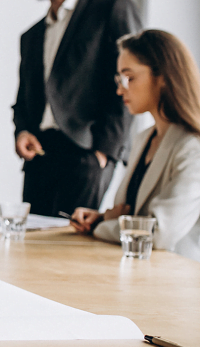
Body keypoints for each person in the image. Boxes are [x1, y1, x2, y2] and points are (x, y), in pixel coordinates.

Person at [12, 0, 141, 217]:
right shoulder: (31, 36)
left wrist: (104, 154)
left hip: (86, 152)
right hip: (39, 157)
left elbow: (132, 79)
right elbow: (23, 97)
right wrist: (22, 130)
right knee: (32, 249)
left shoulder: (111, 10)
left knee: (71, 249)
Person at [71, 30, 200, 262]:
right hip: (136, 271)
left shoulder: (193, 148)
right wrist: (101, 218)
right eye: (119, 79)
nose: (120, 90)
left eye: (129, 78)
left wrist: (102, 226)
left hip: (177, 280)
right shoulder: (143, 139)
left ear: (163, 77)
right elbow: (133, 216)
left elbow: (158, 233)